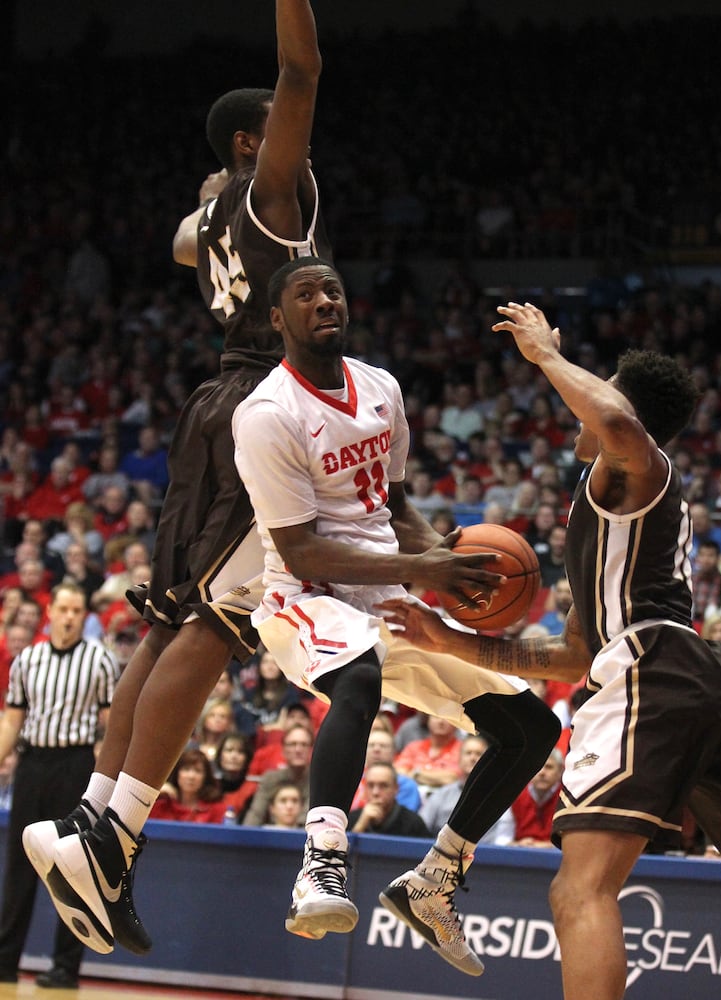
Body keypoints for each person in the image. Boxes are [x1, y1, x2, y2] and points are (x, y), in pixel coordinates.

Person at [381, 302, 721, 1000]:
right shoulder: (606, 502)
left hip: (653, 672)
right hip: (689, 677)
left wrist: (546, 357)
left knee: (579, 891)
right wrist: (452, 641)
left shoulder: (636, 470)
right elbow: (573, 657)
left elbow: (618, 421)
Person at [26, 0, 330, 959]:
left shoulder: (219, 212)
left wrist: (211, 193)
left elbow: (179, 244)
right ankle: (111, 836)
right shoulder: (274, 192)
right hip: (258, 410)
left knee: (168, 621)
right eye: (278, 139)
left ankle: (90, 824)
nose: (304, 152)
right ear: (256, 140)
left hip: (213, 406)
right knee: (218, 622)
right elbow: (304, 71)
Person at [231, 258, 556, 974]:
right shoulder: (266, 414)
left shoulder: (381, 387)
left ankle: (435, 882)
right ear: (277, 319)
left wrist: (448, 560)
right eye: (305, 294)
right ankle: (320, 861)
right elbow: (299, 545)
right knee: (360, 676)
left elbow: (395, 509)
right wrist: (422, 568)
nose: (325, 301)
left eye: (334, 290)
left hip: (388, 595)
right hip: (304, 597)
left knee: (532, 726)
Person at [0, 582, 118, 988]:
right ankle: (4, 962)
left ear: (84, 615)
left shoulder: (100, 660)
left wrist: (106, 783)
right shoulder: (27, 660)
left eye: (77, 610)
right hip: (33, 765)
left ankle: (65, 968)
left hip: (76, 765)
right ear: (50, 611)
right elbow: (12, 721)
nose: (69, 616)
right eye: (63, 609)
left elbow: (110, 728)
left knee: (71, 864)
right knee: (19, 867)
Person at [418, 734, 514, 846]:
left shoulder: (499, 799)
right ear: (459, 760)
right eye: (468, 753)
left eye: (478, 754)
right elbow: (421, 828)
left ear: (489, 761)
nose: (473, 758)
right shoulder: (441, 795)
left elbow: (503, 839)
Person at [348, 763, 430, 837]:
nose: (375, 792)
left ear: (396, 789)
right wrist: (360, 826)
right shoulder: (351, 819)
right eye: (370, 785)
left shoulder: (413, 823)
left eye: (383, 786)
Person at [148, 748, 227, 824]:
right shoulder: (160, 806)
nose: (191, 776)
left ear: (205, 777)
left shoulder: (216, 809)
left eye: (198, 771)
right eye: (186, 769)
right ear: (177, 773)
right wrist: (157, 793)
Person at [510, 748, 564, 847]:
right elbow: (501, 840)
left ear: (560, 770)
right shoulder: (514, 796)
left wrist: (547, 846)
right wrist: (518, 845)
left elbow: (571, 843)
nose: (542, 773)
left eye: (549, 767)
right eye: (538, 767)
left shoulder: (566, 798)